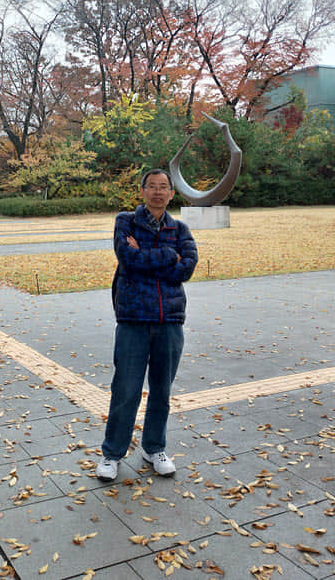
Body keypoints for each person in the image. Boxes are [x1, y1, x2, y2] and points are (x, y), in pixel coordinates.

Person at [96, 168, 198, 481]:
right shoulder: (125, 222)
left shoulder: (179, 229)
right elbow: (128, 259)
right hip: (133, 320)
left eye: (163, 187)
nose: (157, 192)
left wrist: (154, 256)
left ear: (171, 194)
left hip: (169, 320)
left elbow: (187, 268)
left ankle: (154, 448)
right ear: (143, 191)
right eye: (151, 186)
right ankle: (112, 454)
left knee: (161, 391)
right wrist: (169, 257)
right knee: (125, 389)